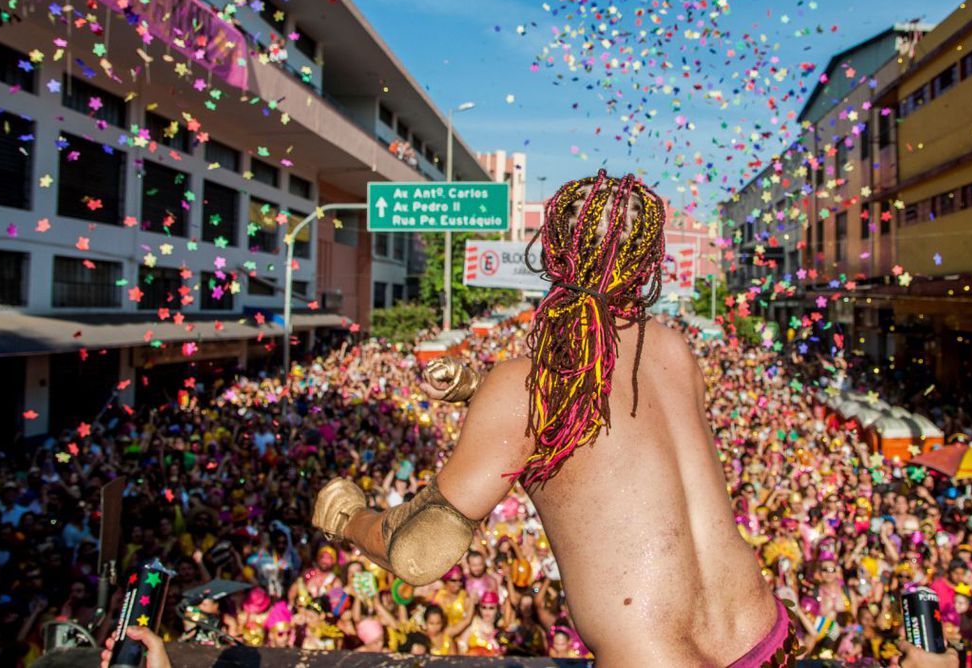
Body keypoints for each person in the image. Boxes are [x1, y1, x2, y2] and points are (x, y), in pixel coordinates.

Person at [313, 171, 795, 666]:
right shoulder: (674, 349)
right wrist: (478, 387)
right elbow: (618, 419)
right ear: (650, 261)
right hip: (764, 638)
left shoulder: (523, 388)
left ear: (552, 251)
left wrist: (347, 519)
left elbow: (417, 554)